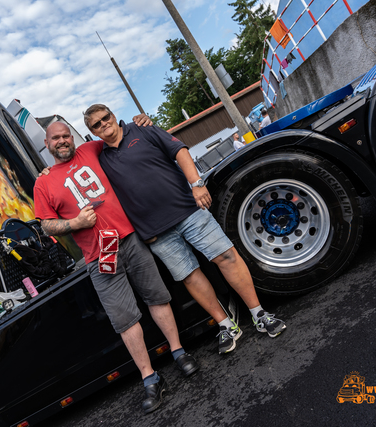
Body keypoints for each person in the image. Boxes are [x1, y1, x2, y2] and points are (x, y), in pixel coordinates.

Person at [84, 104, 286, 355]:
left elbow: (179, 150)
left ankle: (259, 313)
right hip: (156, 233)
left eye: (106, 118)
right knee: (190, 276)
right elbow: (71, 165)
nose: (104, 124)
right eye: (96, 124)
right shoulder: (99, 159)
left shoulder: (143, 129)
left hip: (188, 211)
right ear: (92, 131)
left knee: (226, 257)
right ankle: (226, 325)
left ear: (114, 116)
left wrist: (197, 184)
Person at [34, 121, 198, 415]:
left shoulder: (90, 150)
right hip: (99, 258)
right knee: (125, 320)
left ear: (72, 138)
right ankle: (150, 377)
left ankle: (178, 352)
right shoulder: (42, 182)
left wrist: (139, 121)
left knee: (157, 297)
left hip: (130, 239)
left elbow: (116, 134)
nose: (62, 141)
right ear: (46, 143)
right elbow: (46, 225)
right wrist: (75, 224)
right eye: (55, 138)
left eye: (65, 135)